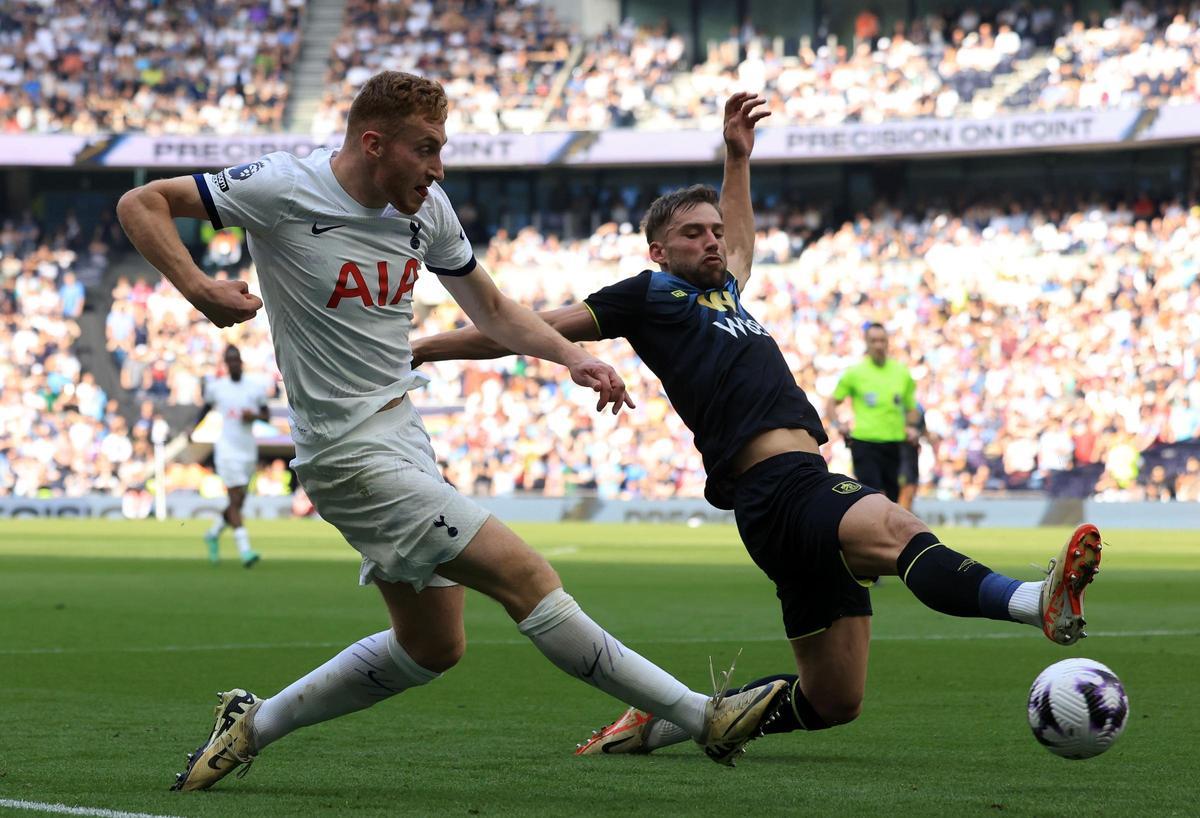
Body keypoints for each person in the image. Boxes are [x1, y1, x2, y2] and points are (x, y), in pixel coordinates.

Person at [115, 71, 787, 791]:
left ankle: (251, 726)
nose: (439, 168)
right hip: (345, 452)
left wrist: (572, 357)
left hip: (403, 437)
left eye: (443, 149)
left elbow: (493, 310)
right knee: (526, 576)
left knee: (432, 645)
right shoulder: (284, 186)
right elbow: (141, 202)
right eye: (426, 149)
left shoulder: (427, 210)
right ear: (374, 143)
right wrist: (198, 286)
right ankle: (701, 717)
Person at [411, 91, 1104, 756]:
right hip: (778, 487)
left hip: (789, 492)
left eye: (713, 231)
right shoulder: (648, 295)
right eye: (693, 234)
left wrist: (737, 158)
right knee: (899, 529)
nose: (712, 241)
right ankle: (1031, 600)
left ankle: (668, 722)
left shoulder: (725, 291)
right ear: (658, 250)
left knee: (834, 700)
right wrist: (423, 347)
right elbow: (522, 326)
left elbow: (740, 241)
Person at [825, 323, 918, 503]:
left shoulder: (901, 372)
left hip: (894, 443)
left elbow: (911, 408)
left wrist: (912, 426)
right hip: (864, 442)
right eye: (874, 341)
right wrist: (838, 424)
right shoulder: (855, 373)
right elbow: (831, 403)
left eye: (882, 340)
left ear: (888, 342)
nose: (878, 345)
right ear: (866, 343)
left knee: (893, 498)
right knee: (871, 497)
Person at [199, 344, 270, 567]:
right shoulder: (217, 388)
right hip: (227, 450)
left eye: (236, 359)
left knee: (238, 502)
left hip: (247, 450)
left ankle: (212, 533)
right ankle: (245, 551)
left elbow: (266, 415)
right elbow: (204, 410)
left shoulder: (255, 388)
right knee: (234, 498)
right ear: (226, 364)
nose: (234, 364)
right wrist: (191, 428)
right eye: (229, 360)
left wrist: (254, 416)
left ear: (241, 362)